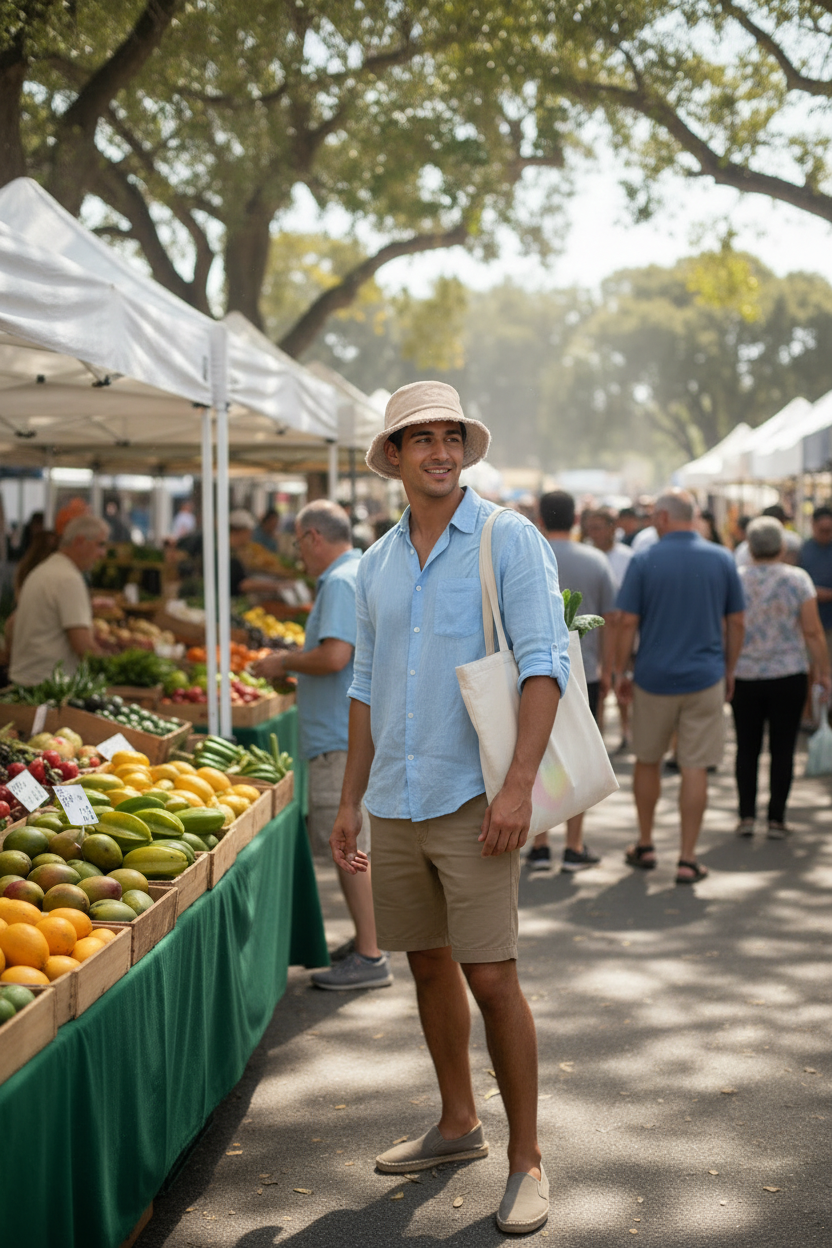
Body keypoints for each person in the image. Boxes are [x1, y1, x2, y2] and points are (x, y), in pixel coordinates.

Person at [330, 380, 570, 1235]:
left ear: (466, 447)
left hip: (476, 798)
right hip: (395, 795)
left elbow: (545, 665)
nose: (440, 450)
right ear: (392, 456)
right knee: (426, 965)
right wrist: (351, 799)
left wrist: (518, 789)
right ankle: (458, 1124)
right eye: (420, 438)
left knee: (493, 975)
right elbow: (363, 685)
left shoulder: (508, 539)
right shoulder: (376, 562)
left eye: (451, 436)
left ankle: (527, 1160)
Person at [252, 500, 391, 991]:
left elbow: (334, 657)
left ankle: (371, 956)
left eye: (297, 543)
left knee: (349, 848)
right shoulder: (356, 570)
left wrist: (283, 663)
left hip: (339, 738)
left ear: (312, 536)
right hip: (343, 732)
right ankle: (366, 943)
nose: (298, 554)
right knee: (353, 847)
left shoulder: (337, 580)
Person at [614, 489, 745, 884]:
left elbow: (626, 621)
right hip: (705, 676)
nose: (652, 520)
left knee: (648, 760)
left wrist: (620, 671)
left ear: (667, 518)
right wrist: (730, 668)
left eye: (656, 515)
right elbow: (737, 622)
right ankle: (688, 858)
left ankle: (646, 842)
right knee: (695, 766)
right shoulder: (721, 559)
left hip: (653, 678)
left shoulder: (644, 559)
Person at [527, 491, 616, 872]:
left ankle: (541, 843)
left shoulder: (527, 555)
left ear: (540, 519)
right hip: (586, 672)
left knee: (540, 753)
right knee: (579, 755)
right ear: (576, 518)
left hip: (533, 672)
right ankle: (574, 845)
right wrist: (610, 669)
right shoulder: (596, 560)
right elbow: (611, 618)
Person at [733, 517, 831, 838]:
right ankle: (776, 818)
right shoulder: (797, 579)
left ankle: (747, 815)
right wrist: (825, 671)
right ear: (782, 546)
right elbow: (813, 631)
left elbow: (728, 627)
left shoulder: (736, 579)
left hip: (744, 673)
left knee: (746, 747)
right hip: (788, 674)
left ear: (749, 546)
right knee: (783, 747)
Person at [8, 514, 107, 686]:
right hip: (47, 689)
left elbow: (10, 625)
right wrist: (112, 668)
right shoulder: (68, 579)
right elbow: (83, 647)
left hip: (25, 683)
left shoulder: (44, 570)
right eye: (100, 544)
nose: (103, 553)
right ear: (79, 542)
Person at [586, 506, 634, 752]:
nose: (593, 532)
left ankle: (627, 729)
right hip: (596, 632)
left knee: (620, 678)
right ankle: (599, 736)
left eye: (598, 527)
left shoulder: (627, 557)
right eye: (590, 527)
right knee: (599, 685)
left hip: (623, 629)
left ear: (612, 528)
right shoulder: (587, 556)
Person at [799, 506, 832, 665]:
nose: (827, 534)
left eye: (829, 530)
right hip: (810, 621)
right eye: (823, 530)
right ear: (813, 526)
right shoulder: (803, 550)